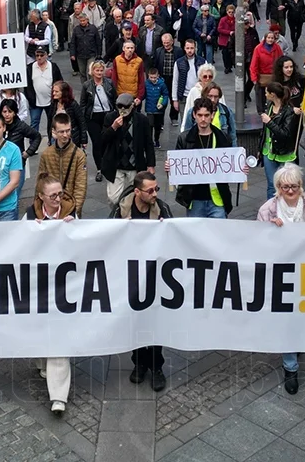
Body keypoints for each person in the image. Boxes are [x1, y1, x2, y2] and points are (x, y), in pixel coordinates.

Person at [257, 164, 305, 393]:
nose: (290, 191)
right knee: (287, 317)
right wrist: (270, 230)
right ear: (278, 188)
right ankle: (290, 366)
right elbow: (258, 243)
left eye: (294, 186)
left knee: (303, 311)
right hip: (281, 273)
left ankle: (298, 342)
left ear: (301, 186)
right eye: (285, 187)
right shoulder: (268, 210)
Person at [108, 171, 172, 392]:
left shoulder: (161, 209)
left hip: (155, 275)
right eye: (150, 190)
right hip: (131, 275)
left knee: (155, 321)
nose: (155, 193)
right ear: (137, 192)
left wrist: (167, 229)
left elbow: (175, 241)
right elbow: (106, 238)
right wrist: (119, 229)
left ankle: (156, 366)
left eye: (157, 189)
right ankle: (139, 362)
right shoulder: (121, 209)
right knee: (135, 321)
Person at [24, 174, 77, 412]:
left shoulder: (72, 213)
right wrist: (29, 233)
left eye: (61, 194)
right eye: (53, 195)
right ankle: (41, 360)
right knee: (38, 330)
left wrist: (73, 230)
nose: (58, 199)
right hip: (38, 284)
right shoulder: (29, 215)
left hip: (65, 286)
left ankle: (59, 396)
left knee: (59, 337)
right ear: (41, 197)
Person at [168, 98, 236, 218]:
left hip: (217, 198)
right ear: (194, 115)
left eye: (206, 115)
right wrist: (170, 168)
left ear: (212, 115)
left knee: (218, 235)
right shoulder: (184, 138)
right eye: (200, 115)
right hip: (195, 199)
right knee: (196, 236)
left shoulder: (223, 138)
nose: (203, 119)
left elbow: (230, 167)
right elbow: (177, 169)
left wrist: (239, 168)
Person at [101, 93, 156, 208]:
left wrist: (151, 165)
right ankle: (118, 214)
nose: (123, 110)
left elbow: (148, 143)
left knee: (136, 196)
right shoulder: (110, 118)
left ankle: (131, 216)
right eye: (120, 107)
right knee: (113, 198)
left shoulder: (142, 120)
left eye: (126, 107)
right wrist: (113, 128)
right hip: (115, 164)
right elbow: (102, 140)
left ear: (132, 106)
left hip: (135, 165)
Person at [40, 113, 89, 210]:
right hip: (50, 207)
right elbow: (40, 183)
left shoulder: (79, 155)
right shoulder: (46, 154)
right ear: (54, 131)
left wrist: (75, 211)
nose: (65, 135)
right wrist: (39, 208)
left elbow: (80, 187)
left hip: (70, 206)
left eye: (68, 131)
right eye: (61, 132)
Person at [260, 83, 300, 199]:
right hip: (268, 152)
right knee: (272, 185)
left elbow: (285, 134)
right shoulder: (269, 106)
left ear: (272, 95)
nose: (265, 94)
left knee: (287, 184)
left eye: (267, 92)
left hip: (283, 154)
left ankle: (286, 208)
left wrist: (269, 122)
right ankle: (271, 210)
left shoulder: (288, 112)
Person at [80, 60, 117, 182]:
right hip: (93, 117)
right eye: (97, 70)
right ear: (92, 72)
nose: (99, 73)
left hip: (107, 115)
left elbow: (114, 99)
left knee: (108, 141)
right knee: (97, 143)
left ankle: (108, 164)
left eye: (101, 70)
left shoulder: (109, 83)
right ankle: (99, 169)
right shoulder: (87, 85)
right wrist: (84, 119)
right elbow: (83, 104)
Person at [27, 47, 63, 138]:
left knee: (52, 123)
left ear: (46, 55)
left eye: (41, 55)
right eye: (37, 55)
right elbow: (27, 86)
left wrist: (57, 97)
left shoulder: (53, 67)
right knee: (34, 123)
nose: (39, 57)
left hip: (51, 101)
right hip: (35, 102)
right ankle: (33, 145)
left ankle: (52, 142)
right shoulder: (30, 67)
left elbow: (60, 82)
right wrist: (30, 98)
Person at [249, 29, 284, 113]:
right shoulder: (258, 49)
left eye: (272, 38)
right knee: (260, 95)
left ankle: (272, 109)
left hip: (273, 76)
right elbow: (254, 65)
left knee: (274, 94)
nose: (270, 40)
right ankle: (260, 112)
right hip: (261, 76)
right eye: (269, 38)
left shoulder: (277, 48)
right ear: (265, 38)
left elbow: (281, 60)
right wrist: (254, 78)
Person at [171, 39, 203, 123]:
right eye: (188, 48)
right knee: (185, 122)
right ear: (184, 48)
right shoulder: (178, 62)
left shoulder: (202, 62)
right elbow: (175, 81)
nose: (190, 50)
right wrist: (175, 99)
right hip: (183, 96)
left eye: (192, 48)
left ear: (195, 48)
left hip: (198, 95)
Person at [180, 63, 219, 131]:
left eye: (210, 76)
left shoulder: (216, 90)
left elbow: (223, 108)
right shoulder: (194, 91)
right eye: (205, 76)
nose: (207, 79)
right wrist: (183, 130)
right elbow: (187, 111)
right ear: (200, 77)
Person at [151, 33, 179, 125]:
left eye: (168, 43)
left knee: (174, 98)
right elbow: (155, 64)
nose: (166, 45)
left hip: (174, 79)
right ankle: (160, 121)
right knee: (161, 100)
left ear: (172, 41)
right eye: (164, 43)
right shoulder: (158, 51)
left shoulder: (178, 51)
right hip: (162, 79)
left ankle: (174, 117)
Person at [50, 80, 88, 148]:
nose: (53, 93)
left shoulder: (73, 104)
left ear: (63, 92)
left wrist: (83, 140)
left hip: (71, 137)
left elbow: (81, 122)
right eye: (53, 91)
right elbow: (50, 122)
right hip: (56, 138)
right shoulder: (54, 104)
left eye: (56, 91)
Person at [108, 40, 146, 104]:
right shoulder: (117, 60)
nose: (130, 50)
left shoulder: (139, 61)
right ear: (123, 49)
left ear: (134, 49)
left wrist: (140, 97)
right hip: (120, 94)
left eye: (132, 48)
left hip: (133, 95)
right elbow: (114, 78)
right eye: (128, 48)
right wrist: (114, 94)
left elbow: (141, 79)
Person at [70, 9, 102, 80]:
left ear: (87, 20)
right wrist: (72, 54)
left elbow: (98, 42)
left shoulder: (93, 28)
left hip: (91, 54)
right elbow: (73, 43)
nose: (82, 22)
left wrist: (99, 54)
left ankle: (91, 87)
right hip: (80, 55)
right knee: (82, 73)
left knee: (90, 72)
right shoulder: (76, 29)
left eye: (84, 21)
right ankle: (85, 88)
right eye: (81, 21)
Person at [144, 66, 168, 148]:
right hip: (150, 109)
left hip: (159, 110)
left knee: (157, 126)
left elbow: (165, 95)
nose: (153, 79)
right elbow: (143, 94)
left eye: (154, 77)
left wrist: (163, 104)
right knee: (150, 125)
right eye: (151, 77)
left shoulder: (162, 84)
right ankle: (149, 141)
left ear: (158, 76)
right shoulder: (146, 84)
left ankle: (156, 140)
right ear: (148, 76)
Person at [217, 5, 235, 73]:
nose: (230, 13)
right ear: (227, 12)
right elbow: (219, 29)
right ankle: (226, 67)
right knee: (225, 54)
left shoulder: (235, 20)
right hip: (225, 39)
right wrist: (229, 32)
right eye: (229, 12)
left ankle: (230, 66)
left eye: (232, 12)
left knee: (231, 54)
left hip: (233, 40)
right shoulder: (223, 19)